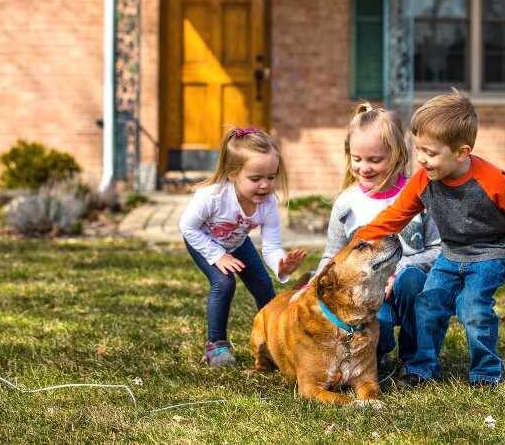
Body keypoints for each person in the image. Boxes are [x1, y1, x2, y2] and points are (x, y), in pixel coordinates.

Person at [353, 89, 505, 387]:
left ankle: (485, 372)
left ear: (461, 153)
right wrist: (358, 244)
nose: (421, 159)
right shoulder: (423, 181)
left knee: (472, 307)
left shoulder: (493, 181)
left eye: (430, 152)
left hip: (492, 253)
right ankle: (423, 368)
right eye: (418, 149)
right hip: (451, 254)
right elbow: (394, 217)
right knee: (428, 304)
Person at [314, 102, 441, 375]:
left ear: (396, 155)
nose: (364, 168)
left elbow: (438, 250)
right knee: (378, 323)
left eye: (375, 160)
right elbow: (333, 254)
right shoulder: (347, 204)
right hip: (368, 295)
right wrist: (313, 286)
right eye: (357, 159)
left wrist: (400, 270)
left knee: (411, 281)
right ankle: (376, 354)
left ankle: (414, 360)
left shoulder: (420, 194)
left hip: (410, 289)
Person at [179, 126, 307, 367]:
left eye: (271, 177)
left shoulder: (267, 205)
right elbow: (187, 227)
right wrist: (217, 256)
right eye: (255, 178)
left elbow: (271, 246)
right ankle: (216, 347)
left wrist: (281, 263)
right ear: (232, 174)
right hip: (203, 241)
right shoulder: (212, 197)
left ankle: (276, 340)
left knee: (263, 287)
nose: (265, 185)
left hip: (237, 242)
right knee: (224, 282)